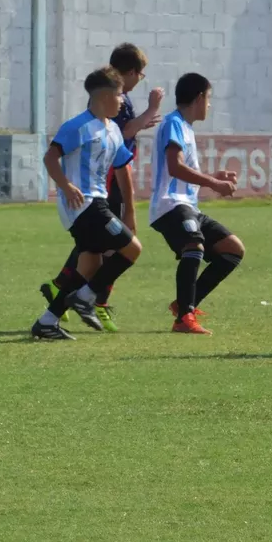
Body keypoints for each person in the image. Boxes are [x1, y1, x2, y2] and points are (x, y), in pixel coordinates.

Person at [39, 43, 164, 332]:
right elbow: (50, 157)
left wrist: (130, 212)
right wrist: (66, 185)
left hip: (99, 203)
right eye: (120, 95)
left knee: (89, 265)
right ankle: (86, 297)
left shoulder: (113, 131)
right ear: (106, 96)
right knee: (132, 248)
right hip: (82, 205)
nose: (123, 101)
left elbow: (122, 170)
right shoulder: (78, 126)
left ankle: (47, 321)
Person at [149, 73, 243, 335]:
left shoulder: (185, 128)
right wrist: (214, 183)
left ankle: (183, 304)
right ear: (200, 97)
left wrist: (214, 177)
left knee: (232, 250)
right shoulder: (174, 124)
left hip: (187, 205)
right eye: (209, 98)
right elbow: (174, 166)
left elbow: (182, 172)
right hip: (170, 205)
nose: (210, 105)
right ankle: (183, 318)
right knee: (194, 245)